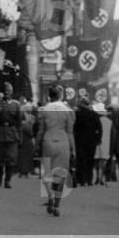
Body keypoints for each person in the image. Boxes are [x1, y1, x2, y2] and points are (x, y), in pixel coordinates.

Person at [36, 84, 75, 217]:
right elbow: (70, 132)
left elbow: (40, 131)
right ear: (60, 96)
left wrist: (37, 145)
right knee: (61, 174)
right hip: (63, 141)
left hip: (48, 140)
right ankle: (57, 204)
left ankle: (50, 197)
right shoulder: (67, 110)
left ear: (49, 96)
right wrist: (73, 148)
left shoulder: (43, 110)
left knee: (47, 173)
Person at [0, 82, 22, 188]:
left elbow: (19, 123)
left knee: (11, 158)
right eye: (5, 91)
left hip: (12, 134)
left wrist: (20, 137)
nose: (6, 93)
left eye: (8, 91)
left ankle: (7, 180)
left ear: (12, 92)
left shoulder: (16, 105)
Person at [73, 97, 102, 186]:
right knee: (90, 160)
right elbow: (99, 128)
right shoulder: (94, 114)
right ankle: (89, 180)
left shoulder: (76, 114)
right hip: (91, 141)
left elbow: (73, 128)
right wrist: (98, 139)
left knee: (81, 160)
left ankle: (81, 179)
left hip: (79, 141)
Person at [92, 100, 112, 185]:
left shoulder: (95, 121)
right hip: (106, 143)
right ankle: (101, 178)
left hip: (97, 142)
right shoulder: (110, 122)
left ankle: (96, 177)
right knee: (103, 161)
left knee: (96, 160)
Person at [17, 98, 37, 178]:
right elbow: (29, 130)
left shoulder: (31, 117)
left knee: (24, 156)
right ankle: (24, 171)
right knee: (26, 156)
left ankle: (23, 172)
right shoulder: (27, 118)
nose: (29, 109)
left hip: (25, 139)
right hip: (27, 139)